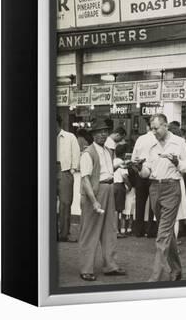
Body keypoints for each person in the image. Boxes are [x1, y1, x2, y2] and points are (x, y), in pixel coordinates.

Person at [139, 114, 186, 282]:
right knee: (167, 230)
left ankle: (156, 277)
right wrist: (139, 168)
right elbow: (146, 171)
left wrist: (177, 163)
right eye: (151, 128)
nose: (153, 132)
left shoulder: (179, 142)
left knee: (162, 234)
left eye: (156, 128)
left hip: (171, 187)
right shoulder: (150, 143)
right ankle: (176, 269)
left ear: (166, 125)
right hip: (154, 187)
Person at [78, 119, 126, 281]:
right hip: (95, 192)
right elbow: (85, 180)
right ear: (92, 135)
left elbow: (105, 171)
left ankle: (110, 265)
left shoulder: (107, 150)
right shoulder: (88, 153)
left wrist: (120, 166)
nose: (103, 134)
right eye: (99, 132)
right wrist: (94, 201)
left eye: (105, 131)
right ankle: (86, 268)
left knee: (110, 230)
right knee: (90, 231)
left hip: (108, 189)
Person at [56, 115, 80, 243]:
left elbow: (76, 153)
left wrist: (72, 169)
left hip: (64, 170)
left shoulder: (70, 137)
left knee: (65, 203)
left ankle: (64, 234)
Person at [131, 129, 158, 238]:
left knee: (140, 203)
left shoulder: (140, 139)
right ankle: (151, 230)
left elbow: (134, 158)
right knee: (153, 204)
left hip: (141, 173)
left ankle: (138, 230)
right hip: (154, 174)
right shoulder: (158, 140)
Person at [113, 144, 132, 238]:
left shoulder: (112, 161)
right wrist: (129, 186)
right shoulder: (122, 163)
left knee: (113, 209)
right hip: (119, 186)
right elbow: (124, 177)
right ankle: (116, 231)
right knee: (118, 210)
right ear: (124, 154)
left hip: (112, 185)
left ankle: (114, 230)